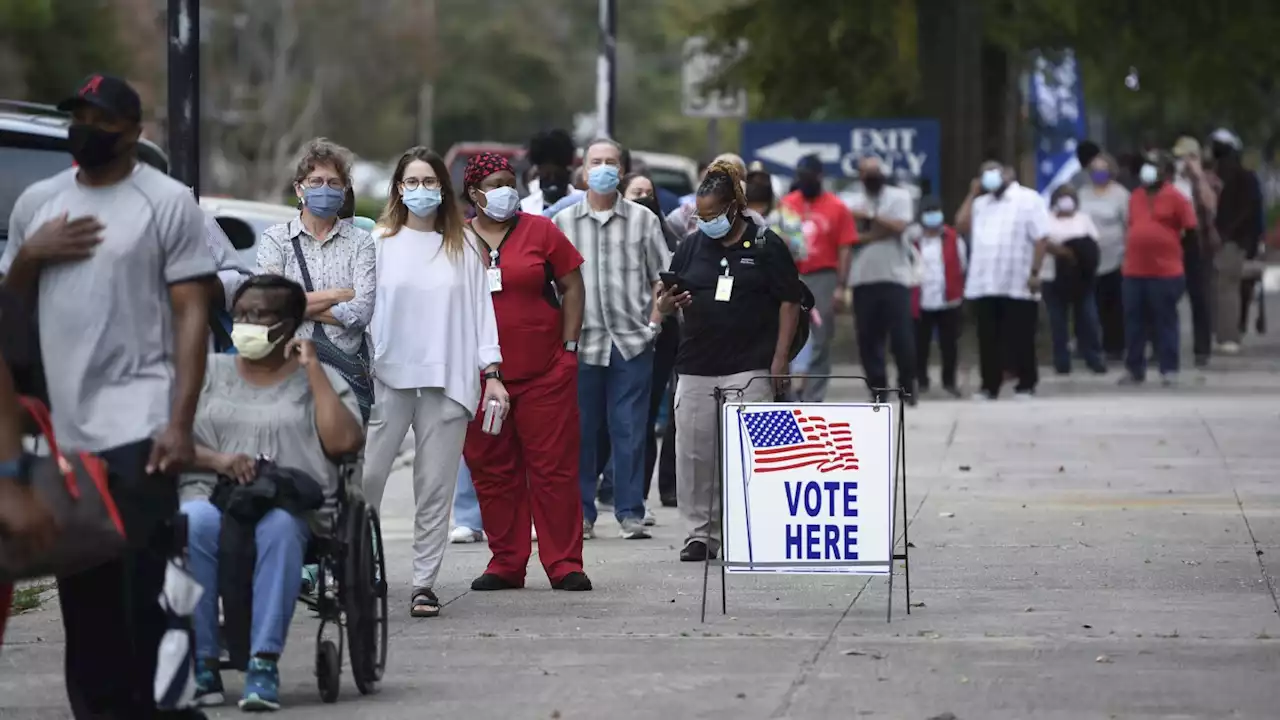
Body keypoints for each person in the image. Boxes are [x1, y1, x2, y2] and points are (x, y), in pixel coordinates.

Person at [1, 73, 213, 718]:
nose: (86, 130)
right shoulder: (37, 201)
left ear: (133, 132)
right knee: (83, 591)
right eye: (79, 117)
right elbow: (9, 315)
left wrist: (180, 421)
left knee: (143, 586)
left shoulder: (167, 201)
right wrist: (31, 256)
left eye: (102, 120)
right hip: (65, 429)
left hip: (140, 420)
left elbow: (192, 314)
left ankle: (160, 704)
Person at [180, 275, 364, 711]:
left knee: (280, 529)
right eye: (241, 315)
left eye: (259, 316)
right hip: (212, 493)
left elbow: (343, 444)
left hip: (291, 503)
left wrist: (314, 369)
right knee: (194, 523)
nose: (246, 324)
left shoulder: (321, 377)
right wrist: (219, 461)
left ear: (288, 324)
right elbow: (169, 440)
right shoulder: (208, 372)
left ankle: (263, 662)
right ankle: (204, 660)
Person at [360, 147, 509, 617]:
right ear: (398, 188)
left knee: (434, 488)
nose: (420, 190)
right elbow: (362, 312)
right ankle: (360, 569)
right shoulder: (379, 242)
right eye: (412, 182)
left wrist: (492, 373)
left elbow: (483, 314)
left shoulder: (463, 246)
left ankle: (424, 583)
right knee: (366, 480)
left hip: (447, 380)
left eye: (429, 182)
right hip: (386, 376)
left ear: (443, 188)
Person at [460, 152, 591, 592]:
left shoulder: (541, 231)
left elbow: (572, 283)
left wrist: (569, 348)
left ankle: (564, 562)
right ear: (474, 192)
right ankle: (506, 562)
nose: (506, 190)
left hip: (546, 372)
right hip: (481, 378)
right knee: (493, 470)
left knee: (553, 470)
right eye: (495, 183)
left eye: (510, 182)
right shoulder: (457, 240)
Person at [661, 160, 804, 561]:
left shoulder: (765, 244)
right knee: (694, 456)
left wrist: (780, 358)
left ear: (735, 206)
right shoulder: (690, 246)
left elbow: (790, 301)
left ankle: (750, 528)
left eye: (713, 214)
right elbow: (666, 298)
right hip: (696, 364)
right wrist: (667, 303)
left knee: (751, 454)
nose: (705, 222)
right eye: (699, 216)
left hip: (750, 363)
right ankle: (700, 535)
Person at [553, 138, 671, 541]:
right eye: (595, 162)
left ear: (622, 171)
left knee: (631, 429)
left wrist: (654, 324)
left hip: (631, 341)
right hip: (581, 343)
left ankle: (630, 511)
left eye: (611, 162)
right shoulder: (563, 223)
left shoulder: (643, 220)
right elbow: (551, 285)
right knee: (581, 432)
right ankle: (581, 514)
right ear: (584, 172)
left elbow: (663, 278)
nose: (603, 169)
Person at [257, 138, 377, 422]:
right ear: (299, 188)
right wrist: (337, 295)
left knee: (344, 458)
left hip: (345, 374)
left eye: (334, 183)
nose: (325, 189)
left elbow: (361, 312)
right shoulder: (276, 239)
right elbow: (269, 306)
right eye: (316, 181)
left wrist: (293, 306)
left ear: (345, 190)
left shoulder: (361, 243)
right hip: (288, 370)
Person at [956, 160, 1051, 400]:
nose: (989, 178)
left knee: (1020, 334)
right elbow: (960, 224)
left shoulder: (1028, 200)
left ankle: (1026, 383)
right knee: (987, 337)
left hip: (1017, 279)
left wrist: (1035, 272)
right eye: (984, 174)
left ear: (1008, 175)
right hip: (985, 280)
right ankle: (990, 385)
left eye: (993, 173)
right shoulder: (980, 204)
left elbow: (1041, 237)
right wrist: (971, 194)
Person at [777, 154, 858, 402]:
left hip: (823, 276)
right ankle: (786, 394)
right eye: (800, 176)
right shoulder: (787, 204)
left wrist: (841, 286)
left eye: (808, 176)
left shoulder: (837, 207)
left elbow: (845, 247)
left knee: (821, 337)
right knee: (786, 333)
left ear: (820, 176)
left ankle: (813, 397)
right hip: (792, 274)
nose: (804, 181)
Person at [1119, 152, 1198, 386]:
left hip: (1165, 272)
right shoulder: (1135, 197)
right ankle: (1134, 369)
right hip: (1134, 271)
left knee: (1165, 320)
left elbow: (1190, 231)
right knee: (1133, 321)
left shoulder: (1176, 197)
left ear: (1164, 172)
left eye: (1154, 168)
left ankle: (1169, 368)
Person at [844, 156, 918, 403]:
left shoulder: (900, 196)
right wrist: (879, 229)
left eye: (875, 171)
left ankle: (907, 387)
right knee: (867, 338)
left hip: (894, 277)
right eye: (866, 172)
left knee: (902, 338)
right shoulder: (850, 200)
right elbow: (850, 236)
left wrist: (871, 216)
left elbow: (899, 227)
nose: (871, 176)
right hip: (862, 279)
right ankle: (878, 390)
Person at [1208, 129, 1263, 355]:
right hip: (1231, 239)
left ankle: (1229, 337)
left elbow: (1248, 212)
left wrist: (1227, 234)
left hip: (1232, 241)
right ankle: (1226, 334)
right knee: (1225, 288)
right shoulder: (1228, 174)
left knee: (1227, 288)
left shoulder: (1238, 176)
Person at [1040, 185, 1105, 375]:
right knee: (1057, 321)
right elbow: (1041, 242)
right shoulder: (1046, 219)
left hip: (1081, 280)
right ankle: (1062, 361)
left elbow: (1093, 244)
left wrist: (1074, 252)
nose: (1066, 201)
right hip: (1052, 277)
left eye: (1070, 197)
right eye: (1062, 197)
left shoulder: (1083, 220)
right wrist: (1062, 251)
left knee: (1088, 319)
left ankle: (1093, 357)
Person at [908, 198, 966, 397]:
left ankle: (949, 381)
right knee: (919, 344)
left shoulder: (953, 237)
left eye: (936, 211)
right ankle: (921, 380)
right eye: (929, 212)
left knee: (949, 344)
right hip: (921, 300)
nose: (933, 216)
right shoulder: (913, 240)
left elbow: (961, 265)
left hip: (948, 299)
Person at [1172, 136, 1220, 367]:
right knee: (1166, 295)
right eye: (1181, 158)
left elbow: (1211, 205)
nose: (1185, 162)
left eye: (1189, 157)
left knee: (1199, 295)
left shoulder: (1208, 180)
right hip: (1172, 240)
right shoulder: (1170, 181)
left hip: (1196, 241)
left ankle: (1202, 349)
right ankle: (1165, 347)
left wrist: (1198, 176)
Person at [1078, 152, 1131, 361]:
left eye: (1103, 169)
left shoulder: (1121, 195)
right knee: (1089, 305)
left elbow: (1128, 225)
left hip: (1114, 258)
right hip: (1087, 260)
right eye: (1095, 170)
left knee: (1113, 305)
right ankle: (1088, 345)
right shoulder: (1082, 194)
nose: (1099, 173)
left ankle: (1114, 346)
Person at [521, 129, 583, 216]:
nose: (552, 180)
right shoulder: (526, 207)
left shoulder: (582, 201)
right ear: (538, 172)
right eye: (547, 176)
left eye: (558, 175)